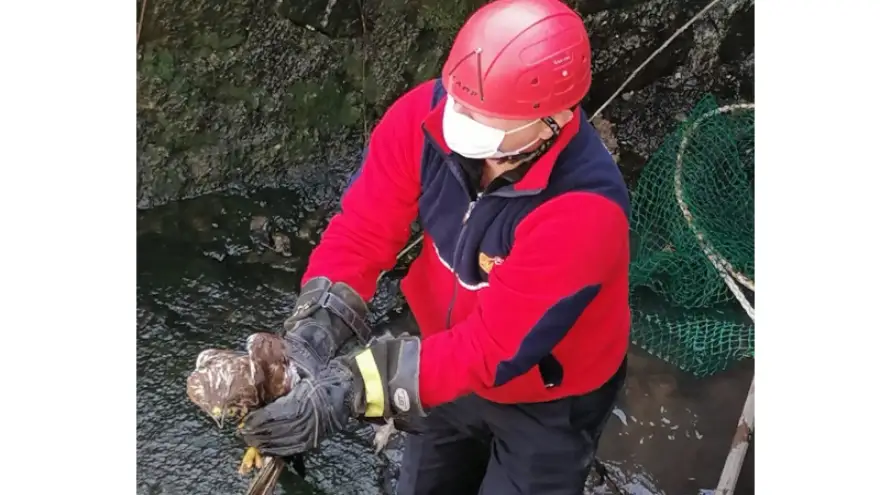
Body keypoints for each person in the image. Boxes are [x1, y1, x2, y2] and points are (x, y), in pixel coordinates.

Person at [239, 0, 631, 493]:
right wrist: (313, 333)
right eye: (461, 105)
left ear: (555, 116)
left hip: (548, 397)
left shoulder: (584, 211)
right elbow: (362, 231)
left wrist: (347, 389)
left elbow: (492, 347)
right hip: (437, 364)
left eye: (487, 121)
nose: (462, 126)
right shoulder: (427, 119)